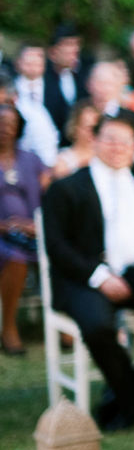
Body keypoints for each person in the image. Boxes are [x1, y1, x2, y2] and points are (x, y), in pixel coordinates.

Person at [42, 114, 134, 429]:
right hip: (84, 277)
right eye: (110, 139)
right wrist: (99, 276)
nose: (118, 147)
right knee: (97, 327)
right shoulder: (67, 187)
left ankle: (132, 390)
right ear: (95, 140)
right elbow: (57, 245)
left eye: (125, 141)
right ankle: (131, 401)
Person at [0, 104, 45, 355]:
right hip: (2, 235)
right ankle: (8, 328)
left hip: (32, 231)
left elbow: (47, 190)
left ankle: (62, 324)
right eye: (1, 123)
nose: (5, 129)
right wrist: (6, 226)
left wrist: (33, 225)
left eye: (10, 123)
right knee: (15, 259)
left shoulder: (30, 158)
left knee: (57, 253)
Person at [12, 44, 60, 168]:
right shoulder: (9, 89)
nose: (32, 67)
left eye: (37, 63)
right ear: (18, 63)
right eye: (28, 63)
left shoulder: (55, 90)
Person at [52, 103, 100, 181]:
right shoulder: (62, 161)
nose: (93, 132)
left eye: (96, 128)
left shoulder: (104, 156)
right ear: (75, 128)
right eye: (88, 128)